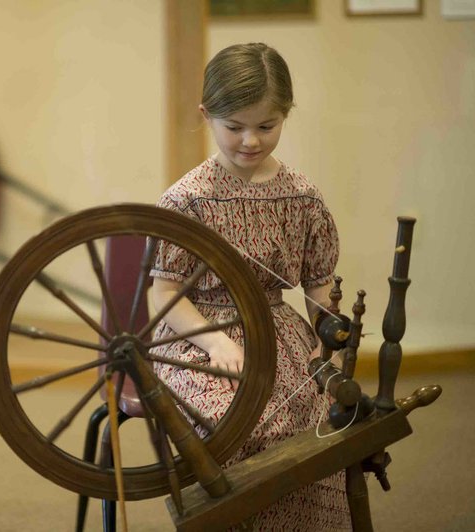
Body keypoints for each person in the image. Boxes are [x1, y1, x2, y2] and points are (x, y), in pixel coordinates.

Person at [149, 42, 351, 530]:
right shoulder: (187, 200)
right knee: (237, 415)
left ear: (286, 115)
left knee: (310, 410)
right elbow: (164, 295)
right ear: (207, 115)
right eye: (233, 126)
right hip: (197, 333)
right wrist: (214, 340)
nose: (250, 141)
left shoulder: (302, 195)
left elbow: (320, 286)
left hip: (278, 326)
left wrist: (334, 340)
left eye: (267, 126)